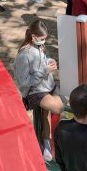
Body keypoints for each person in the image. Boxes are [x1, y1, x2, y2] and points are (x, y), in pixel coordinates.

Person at [15, 20, 64, 161]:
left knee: (46, 114)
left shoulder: (39, 47)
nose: (43, 42)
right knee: (58, 107)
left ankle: (46, 142)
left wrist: (49, 61)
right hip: (35, 92)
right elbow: (23, 82)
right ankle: (46, 142)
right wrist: (44, 71)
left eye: (45, 39)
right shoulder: (23, 55)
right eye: (41, 39)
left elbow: (41, 62)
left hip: (47, 85)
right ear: (33, 37)